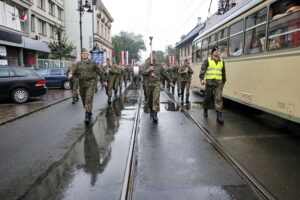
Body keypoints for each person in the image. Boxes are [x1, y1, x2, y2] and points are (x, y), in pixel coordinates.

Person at [73, 49, 107, 124]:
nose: (84, 55)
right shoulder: (78, 64)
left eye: (85, 53)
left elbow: (100, 72)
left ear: (88, 55)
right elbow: (74, 73)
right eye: (83, 53)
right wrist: (71, 75)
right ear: (81, 55)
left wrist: (104, 80)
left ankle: (87, 115)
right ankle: (89, 111)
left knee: (88, 98)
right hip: (81, 84)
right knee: (83, 99)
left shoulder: (92, 63)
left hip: (90, 83)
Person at [142, 51, 174, 123]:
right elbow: (142, 72)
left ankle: (155, 114)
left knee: (156, 99)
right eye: (152, 56)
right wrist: (149, 70)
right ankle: (151, 110)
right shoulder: (146, 65)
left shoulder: (159, 65)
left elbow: (165, 74)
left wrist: (170, 81)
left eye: (155, 56)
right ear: (150, 56)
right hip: (148, 85)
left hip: (156, 84)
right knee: (150, 100)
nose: (154, 57)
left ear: (156, 57)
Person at [199, 46, 226, 124]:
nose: (217, 52)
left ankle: (219, 117)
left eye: (218, 50)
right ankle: (205, 109)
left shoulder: (222, 61)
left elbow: (223, 72)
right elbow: (203, 70)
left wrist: (223, 81)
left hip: (218, 83)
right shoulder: (208, 60)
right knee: (208, 97)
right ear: (212, 52)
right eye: (216, 50)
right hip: (209, 82)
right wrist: (201, 79)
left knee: (218, 99)